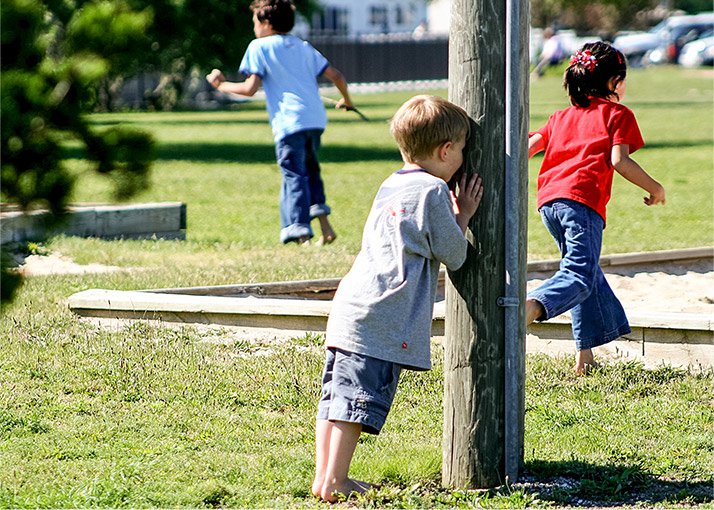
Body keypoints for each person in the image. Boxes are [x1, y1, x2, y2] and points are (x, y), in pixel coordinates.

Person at [312, 95, 484, 502]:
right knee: (354, 401)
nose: (462, 157)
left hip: (353, 305)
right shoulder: (433, 192)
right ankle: (336, 482)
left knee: (336, 398)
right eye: (461, 150)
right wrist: (464, 216)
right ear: (446, 151)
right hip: (381, 314)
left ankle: (325, 478)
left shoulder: (393, 182)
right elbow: (455, 255)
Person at [526, 42, 666, 375]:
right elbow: (620, 160)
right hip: (581, 203)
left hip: (549, 204)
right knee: (578, 275)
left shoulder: (560, 117)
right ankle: (527, 309)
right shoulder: (618, 115)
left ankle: (584, 358)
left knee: (586, 275)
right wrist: (655, 187)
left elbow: (530, 146)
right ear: (613, 82)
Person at [206, 0, 355, 245]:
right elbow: (337, 76)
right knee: (311, 171)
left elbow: (249, 89)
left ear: (265, 23)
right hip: (315, 119)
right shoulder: (303, 46)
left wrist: (221, 85)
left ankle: (300, 233)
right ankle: (326, 228)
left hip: (289, 121)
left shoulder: (259, 46)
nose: (254, 27)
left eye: (255, 22)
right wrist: (346, 100)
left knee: (294, 174)